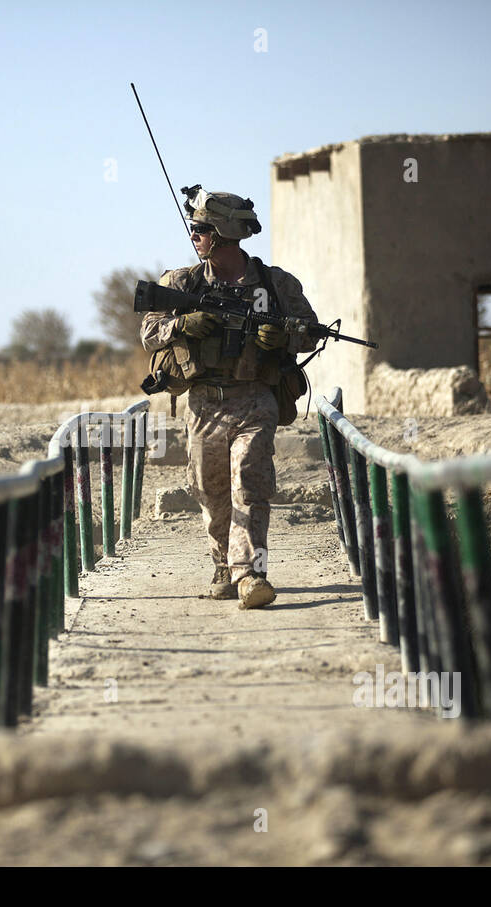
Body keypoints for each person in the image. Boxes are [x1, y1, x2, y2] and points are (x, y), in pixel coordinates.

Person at [140, 186, 320, 609]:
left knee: (250, 484)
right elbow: (148, 332)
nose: (194, 236)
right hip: (204, 403)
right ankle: (223, 564)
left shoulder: (275, 284)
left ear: (222, 233)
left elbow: (311, 330)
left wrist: (284, 334)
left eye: (201, 229)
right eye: (194, 229)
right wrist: (182, 325)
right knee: (210, 489)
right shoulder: (181, 283)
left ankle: (251, 573)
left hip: (256, 399)